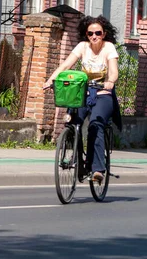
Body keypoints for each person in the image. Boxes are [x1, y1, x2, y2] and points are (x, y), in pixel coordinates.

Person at [44, 15, 122, 183]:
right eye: (90, 33)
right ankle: (78, 162)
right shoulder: (82, 46)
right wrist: (51, 80)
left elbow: (114, 70)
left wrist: (110, 82)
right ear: (86, 35)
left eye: (98, 33)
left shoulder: (108, 48)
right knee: (73, 123)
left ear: (104, 33)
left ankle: (97, 169)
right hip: (83, 93)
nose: (94, 36)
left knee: (95, 124)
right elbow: (65, 65)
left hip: (102, 94)